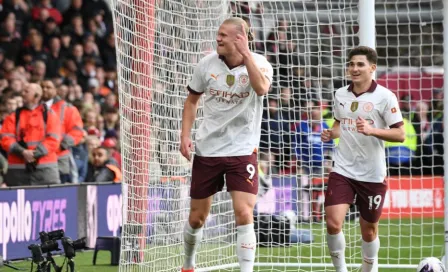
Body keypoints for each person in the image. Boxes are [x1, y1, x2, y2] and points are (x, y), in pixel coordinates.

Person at [179, 17, 273, 272]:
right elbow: (192, 101)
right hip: (208, 149)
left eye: (223, 35)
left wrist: (246, 55)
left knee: (244, 213)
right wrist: (185, 135)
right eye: (218, 34)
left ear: (239, 38)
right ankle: (188, 264)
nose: (218, 38)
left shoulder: (261, 64)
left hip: (243, 150)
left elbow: (262, 88)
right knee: (197, 218)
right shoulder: (206, 65)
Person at [321, 46, 405, 272]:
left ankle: (369, 269)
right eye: (351, 64)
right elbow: (339, 124)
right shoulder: (340, 94)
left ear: (372, 68)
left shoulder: (385, 96)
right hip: (343, 169)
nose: (354, 69)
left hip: (372, 173)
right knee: (332, 223)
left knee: (368, 231)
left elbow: (400, 134)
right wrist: (331, 133)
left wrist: (372, 130)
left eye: (360, 64)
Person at [0, 83, 61, 186]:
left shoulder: (50, 115)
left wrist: (32, 154)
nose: (22, 94)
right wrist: (23, 152)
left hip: (45, 171)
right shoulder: (13, 116)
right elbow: (5, 138)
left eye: (26, 91)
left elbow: (53, 139)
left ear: (36, 96)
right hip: (18, 173)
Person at [41, 80, 84, 183]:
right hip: (38, 159)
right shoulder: (33, 108)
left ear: (55, 90)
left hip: (59, 158)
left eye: (48, 87)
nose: (44, 89)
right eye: (42, 87)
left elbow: (77, 131)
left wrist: (62, 145)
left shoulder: (67, 108)